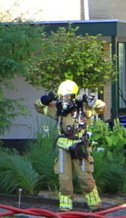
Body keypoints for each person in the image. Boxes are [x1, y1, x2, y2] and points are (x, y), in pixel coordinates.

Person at [36, 80, 106, 210]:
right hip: (63, 148)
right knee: (64, 180)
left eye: (68, 96)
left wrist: (93, 102)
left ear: (74, 96)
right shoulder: (57, 109)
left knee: (85, 178)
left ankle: (95, 208)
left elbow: (101, 108)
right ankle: (65, 209)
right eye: (63, 97)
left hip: (80, 147)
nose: (65, 100)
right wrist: (45, 99)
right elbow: (39, 107)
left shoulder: (84, 108)